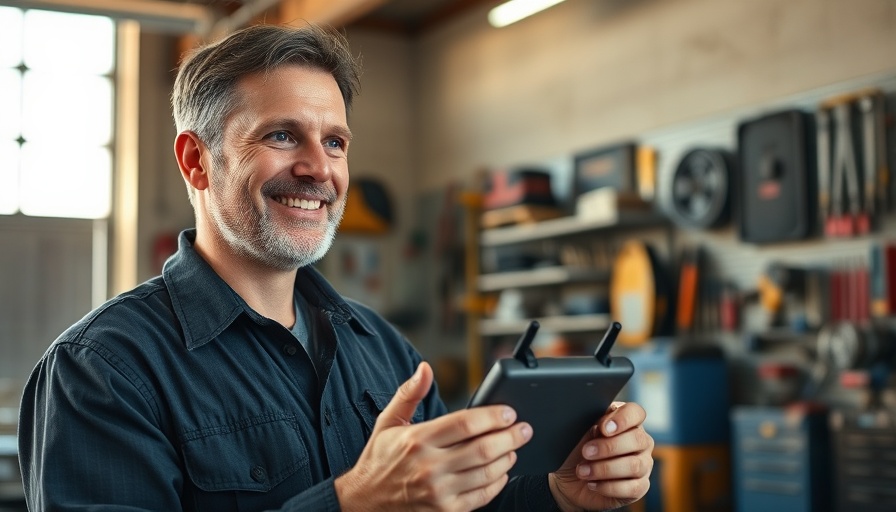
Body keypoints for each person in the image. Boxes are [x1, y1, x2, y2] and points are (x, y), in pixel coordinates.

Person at [18, 23, 654, 511]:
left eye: (335, 142)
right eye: (281, 136)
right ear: (195, 161)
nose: (319, 169)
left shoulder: (383, 351)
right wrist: (351, 502)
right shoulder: (103, 371)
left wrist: (560, 494)